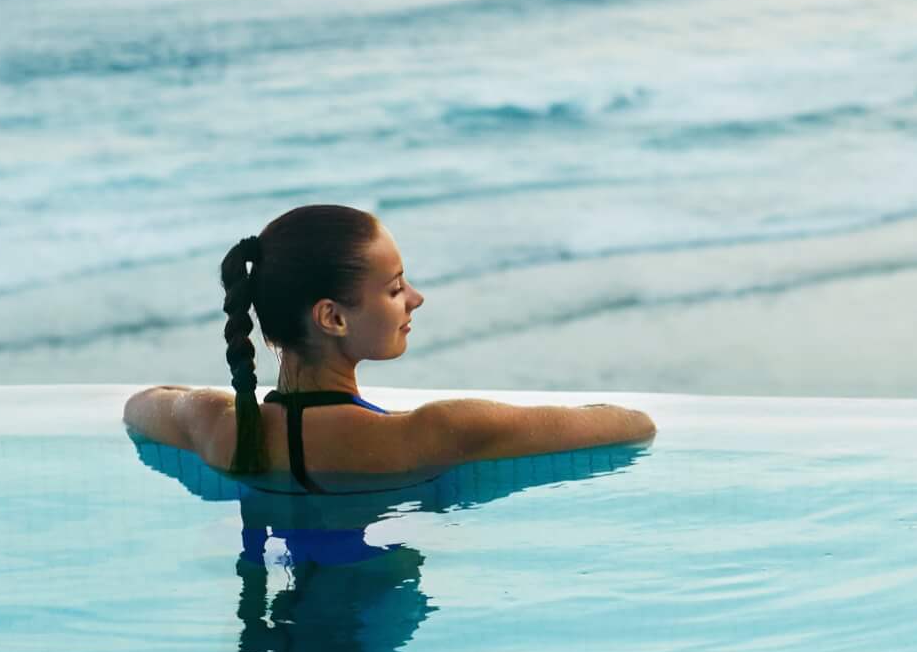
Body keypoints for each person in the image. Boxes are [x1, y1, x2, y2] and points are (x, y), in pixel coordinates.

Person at [121, 204, 656, 489]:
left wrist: (207, 406)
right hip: (371, 633)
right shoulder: (434, 432)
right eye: (395, 288)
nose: (416, 300)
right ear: (331, 317)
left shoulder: (217, 427)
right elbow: (631, 425)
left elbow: (140, 405)